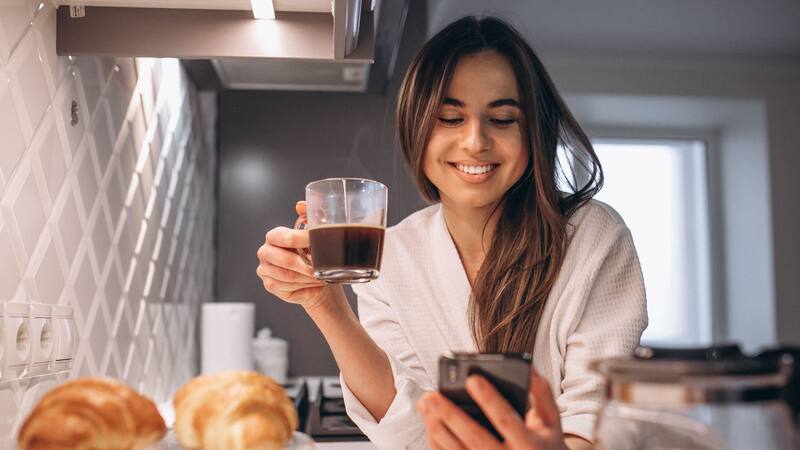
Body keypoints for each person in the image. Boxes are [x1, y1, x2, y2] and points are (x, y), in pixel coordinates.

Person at [256, 16, 647, 450]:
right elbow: (409, 427)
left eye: (501, 119)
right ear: (416, 127)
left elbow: (596, 420)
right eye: (449, 117)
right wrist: (325, 304)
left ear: (533, 130)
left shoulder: (593, 237)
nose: (475, 141)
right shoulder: (395, 252)